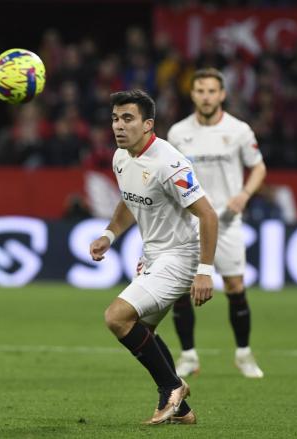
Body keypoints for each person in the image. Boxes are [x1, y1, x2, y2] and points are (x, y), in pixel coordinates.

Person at [89, 90, 218, 425]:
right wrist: (109, 234)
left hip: (180, 257)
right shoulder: (121, 156)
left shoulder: (170, 163)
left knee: (116, 317)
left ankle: (173, 388)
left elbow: (208, 215)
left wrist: (204, 271)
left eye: (127, 118)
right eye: (115, 118)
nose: (118, 125)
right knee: (140, 329)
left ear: (148, 125)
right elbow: (130, 200)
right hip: (154, 255)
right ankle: (183, 412)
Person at [167, 67, 267, 378]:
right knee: (181, 289)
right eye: (200, 91)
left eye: (212, 91)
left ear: (222, 94)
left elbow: (259, 167)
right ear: (192, 94)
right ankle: (188, 356)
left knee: (235, 286)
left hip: (227, 219)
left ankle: (243, 354)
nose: (206, 96)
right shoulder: (178, 133)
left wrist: (245, 194)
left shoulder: (239, 130)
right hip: (189, 221)